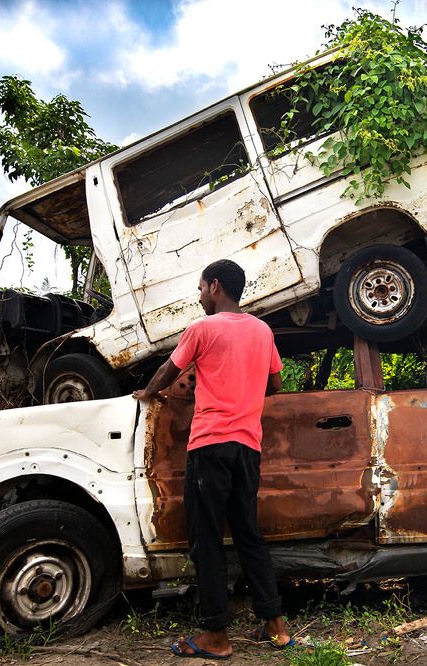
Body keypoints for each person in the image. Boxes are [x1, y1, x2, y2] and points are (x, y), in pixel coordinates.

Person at [132, 259, 292, 659]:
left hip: (210, 445)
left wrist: (146, 394)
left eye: (201, 287)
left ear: (216, 286)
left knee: (206, 541)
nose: (199, 295)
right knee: (248, 535)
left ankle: (215, 637)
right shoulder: (262, 330)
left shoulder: (202, 328)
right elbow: (274, 384)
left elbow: (170, 370)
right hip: (247, 447)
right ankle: (276, 628)